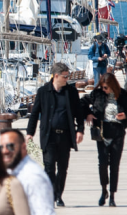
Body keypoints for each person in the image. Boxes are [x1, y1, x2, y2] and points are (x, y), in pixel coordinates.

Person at [26, 62, 84, 207]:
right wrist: (29, 133)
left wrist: (80, 130)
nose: (67, 79)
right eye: (65, 77)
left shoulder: (71, 92)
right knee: (49, 167)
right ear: (56, 76)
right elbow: (34, 114)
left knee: (63, 168)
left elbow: (78, 112)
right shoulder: (43, 91)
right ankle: (50, 194)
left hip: (65, 136)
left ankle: (59, 195)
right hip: (49, 135)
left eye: (68, 76)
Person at [83, 72, 127, 206]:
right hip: (101, 133)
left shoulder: (123, 94)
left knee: (114, 165)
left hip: (117, 132)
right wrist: (88, 114)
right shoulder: (97, 94)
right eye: (102, 87)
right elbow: (82, 102)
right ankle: (103, 190)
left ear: (112, 85)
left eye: (106, 87)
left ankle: (112, 195)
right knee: (102, 164)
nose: (104, 90)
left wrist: (125, 116)